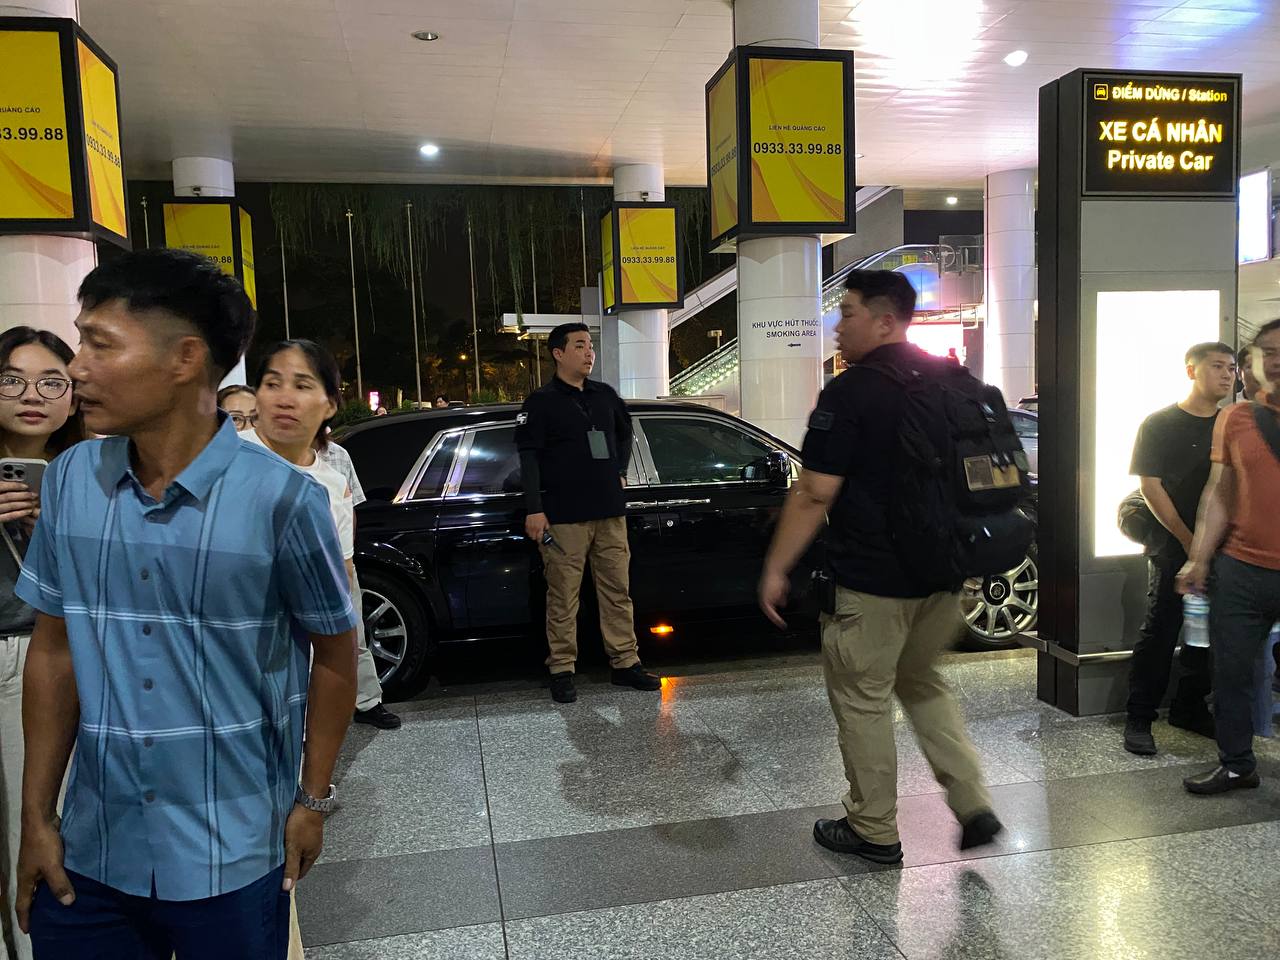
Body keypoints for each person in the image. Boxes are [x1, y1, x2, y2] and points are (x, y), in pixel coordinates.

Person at [13, 248, 358, 959]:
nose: (78, 368)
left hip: (232, 851)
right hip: (92, 853)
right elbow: (54, 651)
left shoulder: (284, 501)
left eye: (100, 344)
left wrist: (313, 800)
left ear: (185, 359)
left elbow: (333, 654)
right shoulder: (71, 480)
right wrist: (36, 819)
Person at [758, 270, 1001, 865]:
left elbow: (814, 492)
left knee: (863, 700)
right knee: (921, 682)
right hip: (944, 575)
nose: (838, 328)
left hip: (871, 584)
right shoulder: (956, 381)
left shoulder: (852, 392)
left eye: (848, 313)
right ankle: (973, 801)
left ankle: (873, 829)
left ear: (886, 320)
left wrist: (776, 568)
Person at [246, 339, 400, 731]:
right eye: (272, 383)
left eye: (302, 385)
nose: (285, 398)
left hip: (328, 569)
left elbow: (348, 515)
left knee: (347, 645)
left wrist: (346, 570)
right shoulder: (227, 456)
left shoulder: (332, 471)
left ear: (329, 404)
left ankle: (365, 702)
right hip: (247, 626)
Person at [515, 323, 660, 703]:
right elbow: (528, 458)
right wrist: (535, 509)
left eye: (590, 345)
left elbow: (625, 432)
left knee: (617, 592)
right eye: (580, 345)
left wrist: (621, 470)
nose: (589, 352)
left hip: (609, 512)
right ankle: (562, 669)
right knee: (563, 597)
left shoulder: (604, 395)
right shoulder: (541, 402)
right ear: (558, 353)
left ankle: (625, 663)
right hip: (564, 516)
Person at [0, 328, 83, 960]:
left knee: (37, 830)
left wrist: (52, 527)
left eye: (52, 382)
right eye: (12, 380)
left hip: (46, 660)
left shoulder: (89, 474)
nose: (33, 395)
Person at [1180, 319, 1280, 794]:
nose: (1275, 361)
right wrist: (1199, 558)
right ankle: (1238, 764)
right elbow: (1219, 493)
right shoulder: (1235, 419)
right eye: (1267, 352)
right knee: (1231, 672)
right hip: (1241, 569)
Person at [1122, 342, 1237, 755]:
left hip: (1222, 543)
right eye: (1217, 366)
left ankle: (1190, 706)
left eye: (1231, 368)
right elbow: (1150, 487)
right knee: (1162, 626)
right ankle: (1139, 716)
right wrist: (1190, 542)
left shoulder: (1232, 424)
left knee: (1209, 631)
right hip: (1172, 541)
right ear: (1192, 371)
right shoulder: (1160, 423)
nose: (1227, 375)